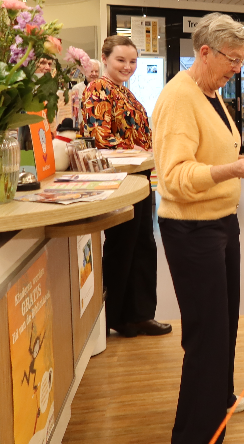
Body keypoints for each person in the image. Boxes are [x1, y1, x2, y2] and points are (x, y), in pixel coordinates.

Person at [152, 12, 244, 444]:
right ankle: (196, 435)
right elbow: (173, 178)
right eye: (233, 59)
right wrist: (231, 171)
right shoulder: (179, 97)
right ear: (204, 51)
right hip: (193, 231)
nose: (237, 68)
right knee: (207, 340)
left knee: (224, 328)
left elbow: (217, 151)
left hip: (222, 224)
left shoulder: (212, 94)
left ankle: (219, 398)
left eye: (242, 60)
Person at [80, 36, 172, 339]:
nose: (128, 66)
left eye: (133, 62)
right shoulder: (97, 90)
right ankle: (111, 317)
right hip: (118, 178)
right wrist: (144, 153)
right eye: (121, 60)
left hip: (139, 176)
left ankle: (140, 314)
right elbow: (101, 140)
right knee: (122, 247)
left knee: (143, 244)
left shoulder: (124, 92)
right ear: (104, 58)